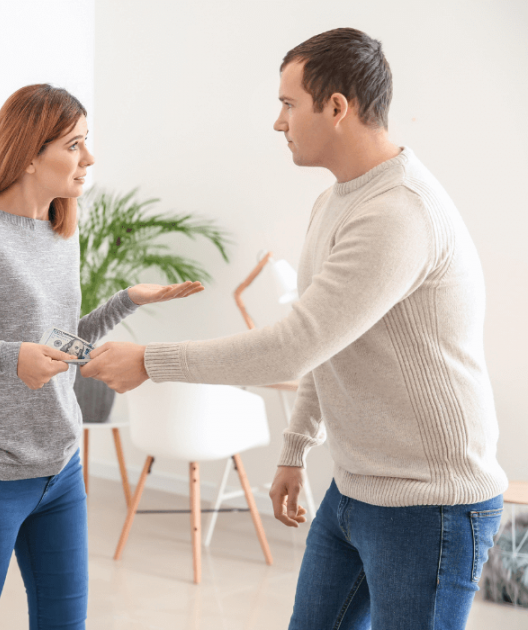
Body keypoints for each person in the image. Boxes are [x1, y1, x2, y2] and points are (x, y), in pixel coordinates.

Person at [81, 28, 507, 630]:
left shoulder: (398, 212)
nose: (278, 122)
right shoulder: (336, 201)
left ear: (337, 107)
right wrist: (294, 448)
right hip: (356, 488)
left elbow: (291, 347)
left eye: (288, 104)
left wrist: (150, 361)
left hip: (429, 504)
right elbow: (326, 343)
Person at [0, 83, 203, 630]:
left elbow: (53, 343)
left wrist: (124, 301)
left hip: (60, 470)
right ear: (32, 154)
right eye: (75, 144)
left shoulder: (61, 229)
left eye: (87, 142)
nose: (90, 157)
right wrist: (9, 358)